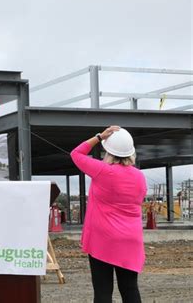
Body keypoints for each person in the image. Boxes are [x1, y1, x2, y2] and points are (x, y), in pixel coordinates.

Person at [70, 126, 147, 303]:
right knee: (130, 288)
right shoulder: (139, 177)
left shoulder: (102, 170)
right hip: (131, 239)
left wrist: (98, 136)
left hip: (102, 238)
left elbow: (76, 154)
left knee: (103, 290)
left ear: (107, 150)